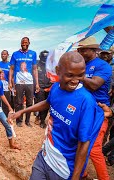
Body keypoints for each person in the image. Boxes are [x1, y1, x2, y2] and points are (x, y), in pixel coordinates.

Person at [9, 52, 104, 180]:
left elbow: (84, 144)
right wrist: (23, 111)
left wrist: (75, 177)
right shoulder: (55, 88)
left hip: (63, 170)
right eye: (70, 75)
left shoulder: (86, 102)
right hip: (44, 157)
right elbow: (48, 102)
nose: (75, 80)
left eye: (80, 75)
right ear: (58, 71)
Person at [77, 36, 112, 180]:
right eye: (79, 50)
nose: (80, 53)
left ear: (93, 50)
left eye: (83, 50)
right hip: (84, 110)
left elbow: (94, 84)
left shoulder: (103, 66)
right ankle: (82, 173)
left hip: (99, 111)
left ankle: (104, 178)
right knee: (81, 143)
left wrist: (76, 75)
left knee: (95, 149)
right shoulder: (83, 65)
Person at [9, 37, 39, 127]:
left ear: (29, 43)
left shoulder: (33, 54)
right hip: (18, 82)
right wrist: (10, 82)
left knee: (30, 102)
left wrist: (36, 83)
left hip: (30, 82)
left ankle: (27, 121)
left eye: (26, 42)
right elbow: (11, 69)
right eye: (22, 42)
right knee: (19, 102)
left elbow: (34, 69)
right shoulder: (15, 54)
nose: (24, 43)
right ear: (20, 43)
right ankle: (19, 121)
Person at [0, 66, 20, 149]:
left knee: (7, 123)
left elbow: (1, 95)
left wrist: (9, 107)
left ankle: (11, 144)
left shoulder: (0, 83)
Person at [34, 50, 52, 129]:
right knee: (41, 104)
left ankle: (42, 118)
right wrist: (36, 86)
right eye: (43, 57)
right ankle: (42, 121)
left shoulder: (51, 65)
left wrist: (50, 87)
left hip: (49, 88)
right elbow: (34, 76)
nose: (45, 59)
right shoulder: (36, 65)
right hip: (40, 88)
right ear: (40, 57)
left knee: (47, 105)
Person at [0, 50, 14, 115]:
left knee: (6, 102)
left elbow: (12, 77)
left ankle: (5, 116)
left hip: (6, 87)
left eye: (5, 54)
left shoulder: (10, 65)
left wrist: (11, 85)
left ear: (7, 55)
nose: (3, 55)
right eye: (2, 54)